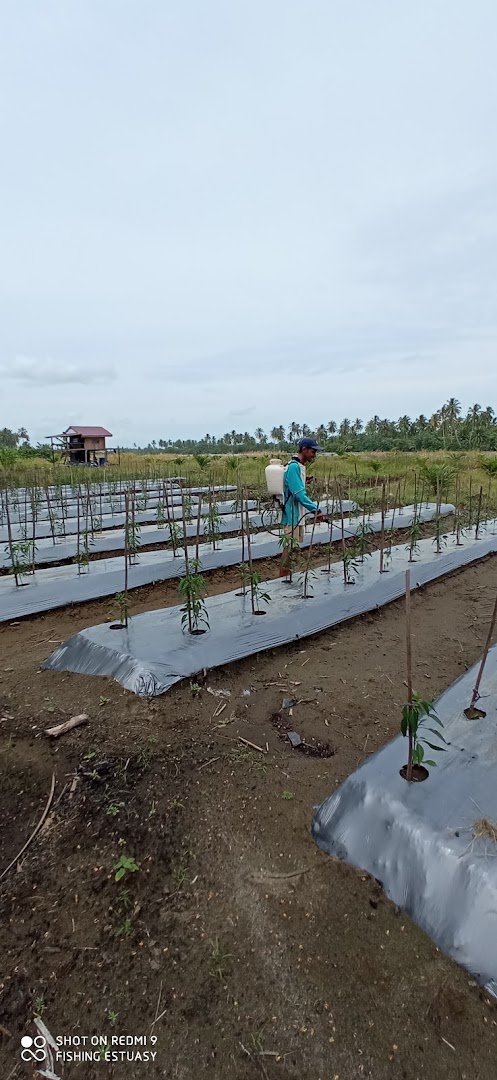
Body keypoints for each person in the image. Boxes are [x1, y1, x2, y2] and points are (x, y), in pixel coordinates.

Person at [279, 437, 324, 576]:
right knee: (289, 547)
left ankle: (287, 575)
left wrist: (305, 480)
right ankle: (283, 578)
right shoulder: (293, 467)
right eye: (312, 451)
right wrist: (316, 510)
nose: (314, 455)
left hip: (297, 514)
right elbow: (299, 494)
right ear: (304, 450)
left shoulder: (298, 466)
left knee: (292, 547)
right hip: (291, 514)